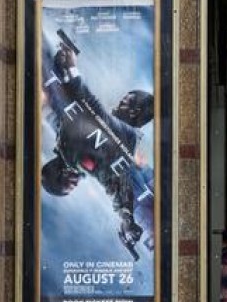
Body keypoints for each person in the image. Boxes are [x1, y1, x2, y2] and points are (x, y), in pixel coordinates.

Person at [43, 42, 155, 257]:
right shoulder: (95, 151)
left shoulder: (119, 137)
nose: (122, 101)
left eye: (128, 102)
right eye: (126, 98)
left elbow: (86, 104)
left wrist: (67, 71)